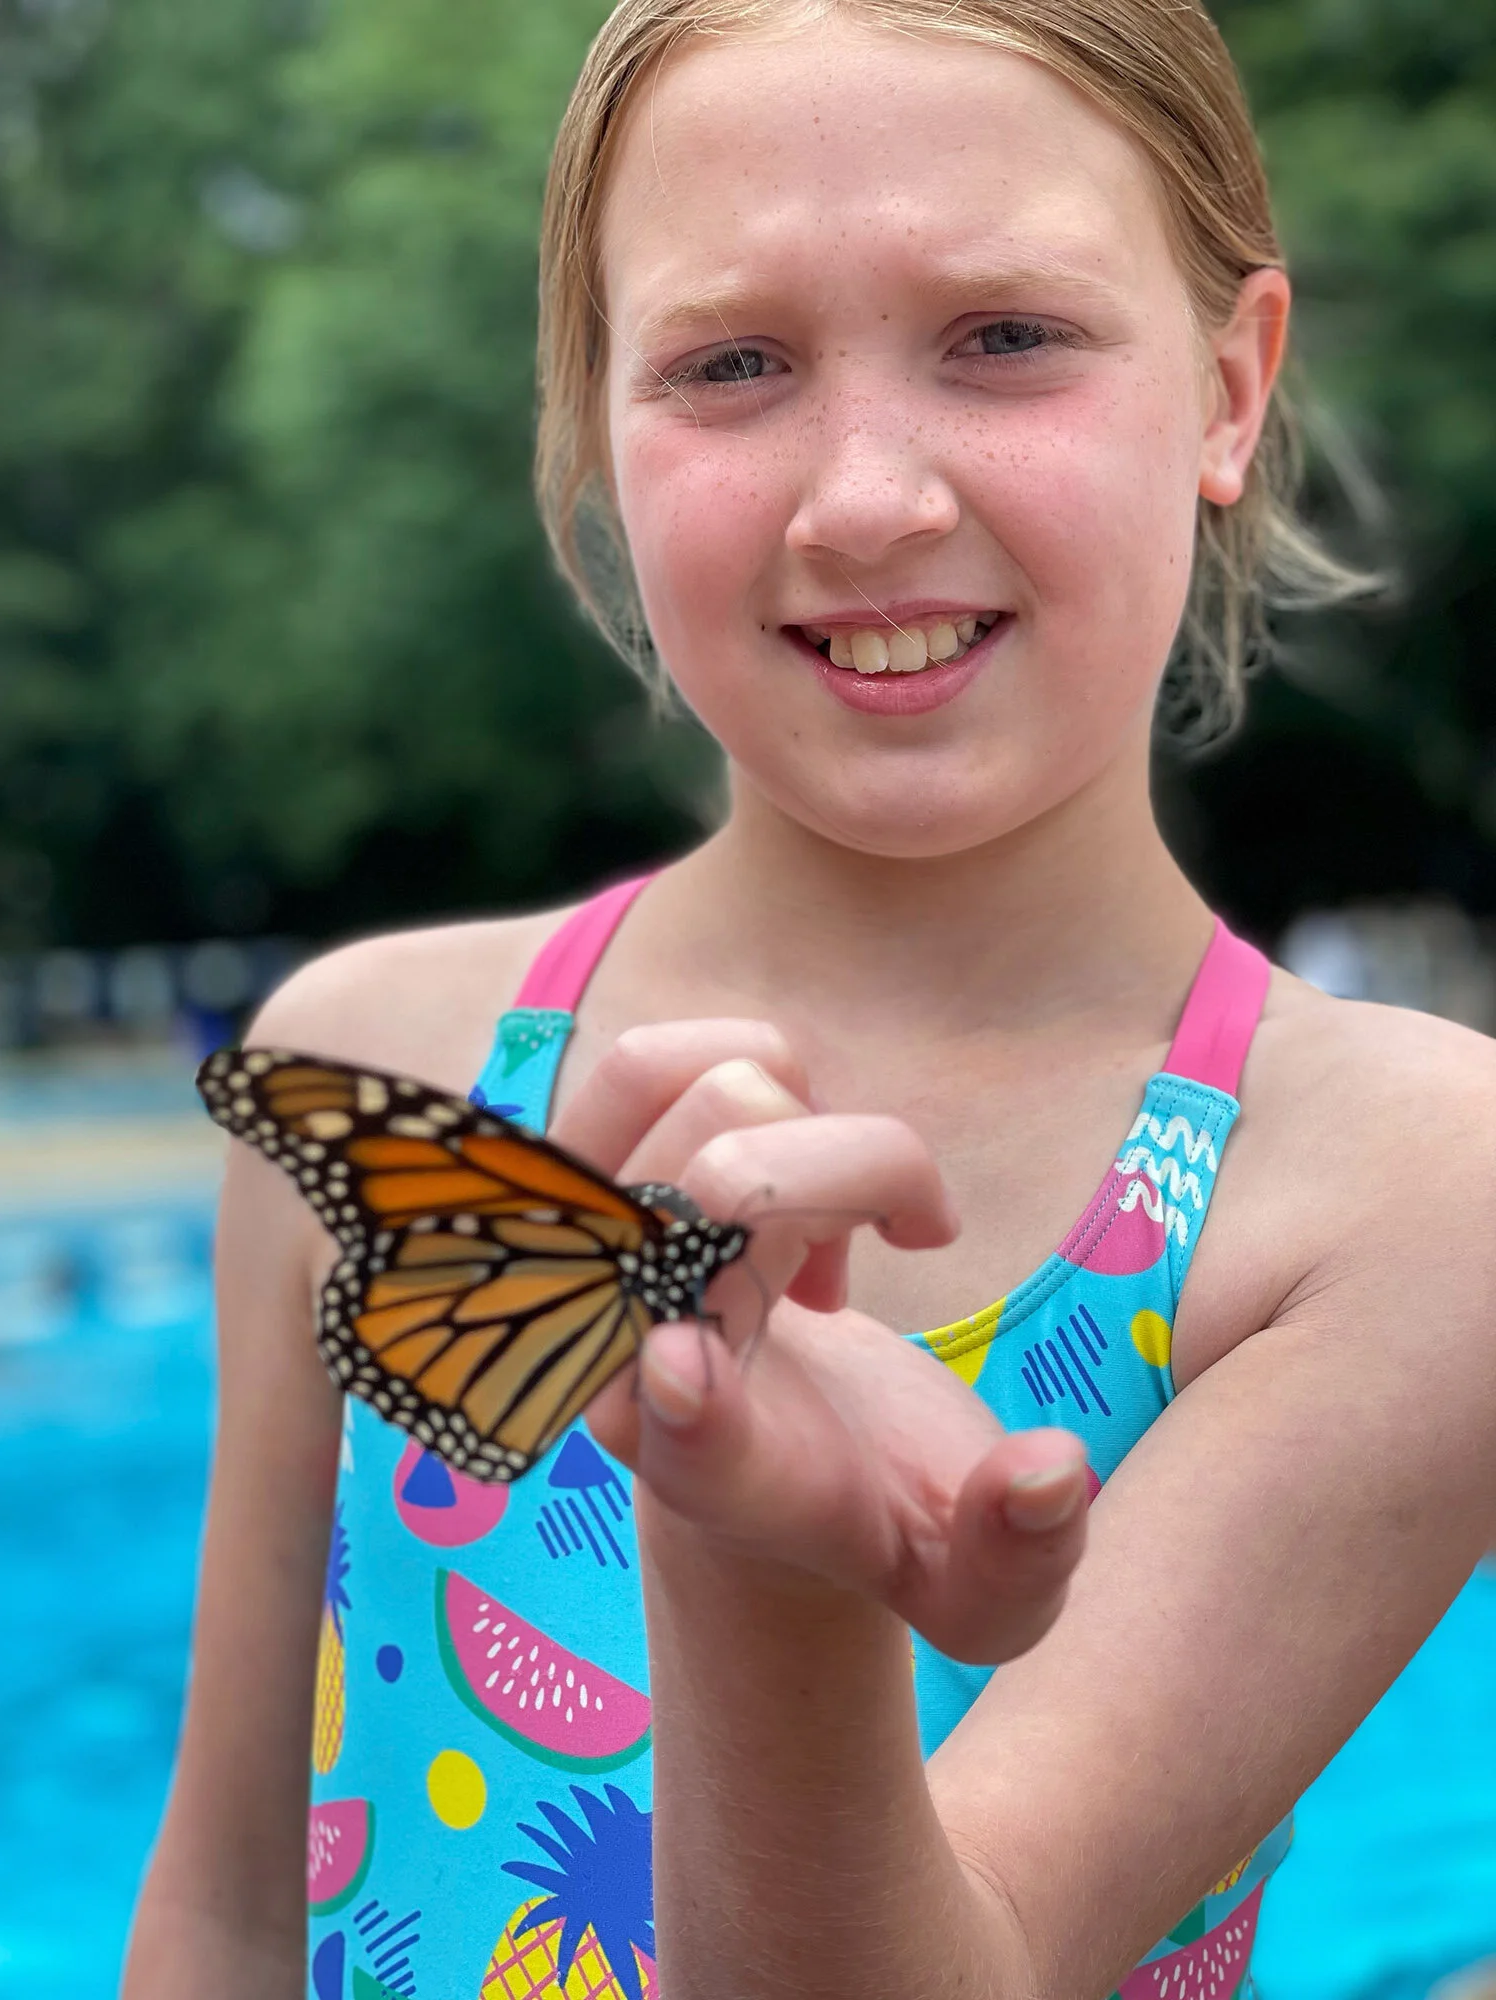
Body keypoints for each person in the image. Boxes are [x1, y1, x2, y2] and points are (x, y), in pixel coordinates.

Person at [124, 3, 1496, 1996]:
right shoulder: (380, 1070)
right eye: (730, 361)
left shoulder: (1408, 1190)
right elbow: (232, 1919)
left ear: (1228, 385)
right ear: (598, 423)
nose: (863, 499)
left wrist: (759, 1561)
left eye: (1006, 337)